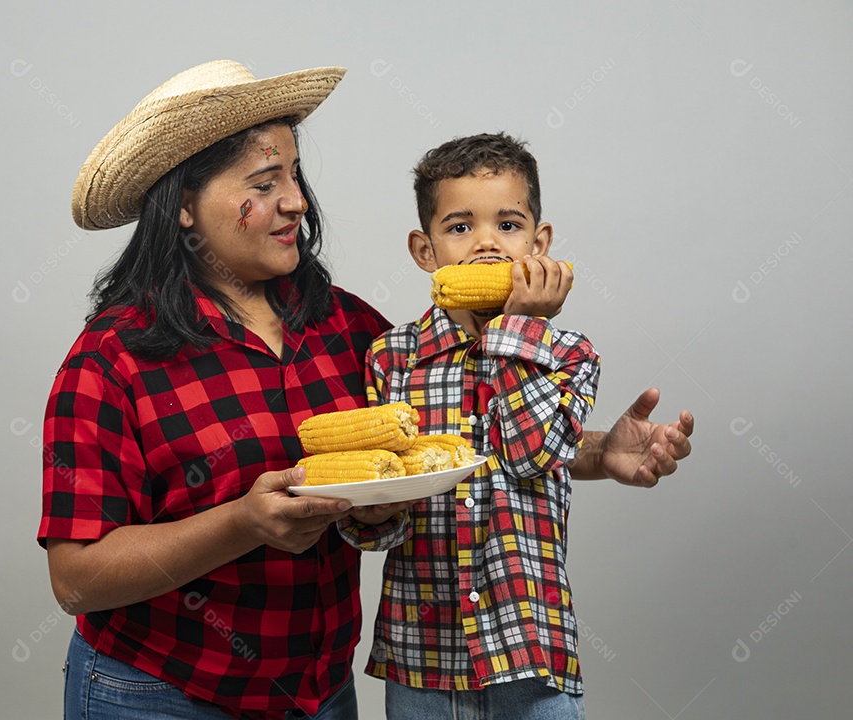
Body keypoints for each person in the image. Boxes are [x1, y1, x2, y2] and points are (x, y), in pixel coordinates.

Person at [37, 61, 692, 720]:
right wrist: (241, 524)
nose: (296, 200)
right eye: (266, 183)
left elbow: (461, 428)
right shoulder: (111, 359)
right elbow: (76, 578)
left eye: (294, 175)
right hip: (161, 695)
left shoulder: (348, 330)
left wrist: (599, 452)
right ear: (182, 205)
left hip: (318, 696)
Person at [338, 132, 692, 720]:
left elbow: (534, 454)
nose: (486, 245)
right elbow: (380, 513)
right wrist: (371, 514)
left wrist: (521, 329)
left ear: (540, 241)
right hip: (422, 655)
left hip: (531, 646)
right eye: (459, 228)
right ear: (424, 251)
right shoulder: (390, 358)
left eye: (508, 225)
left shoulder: (569, 354)